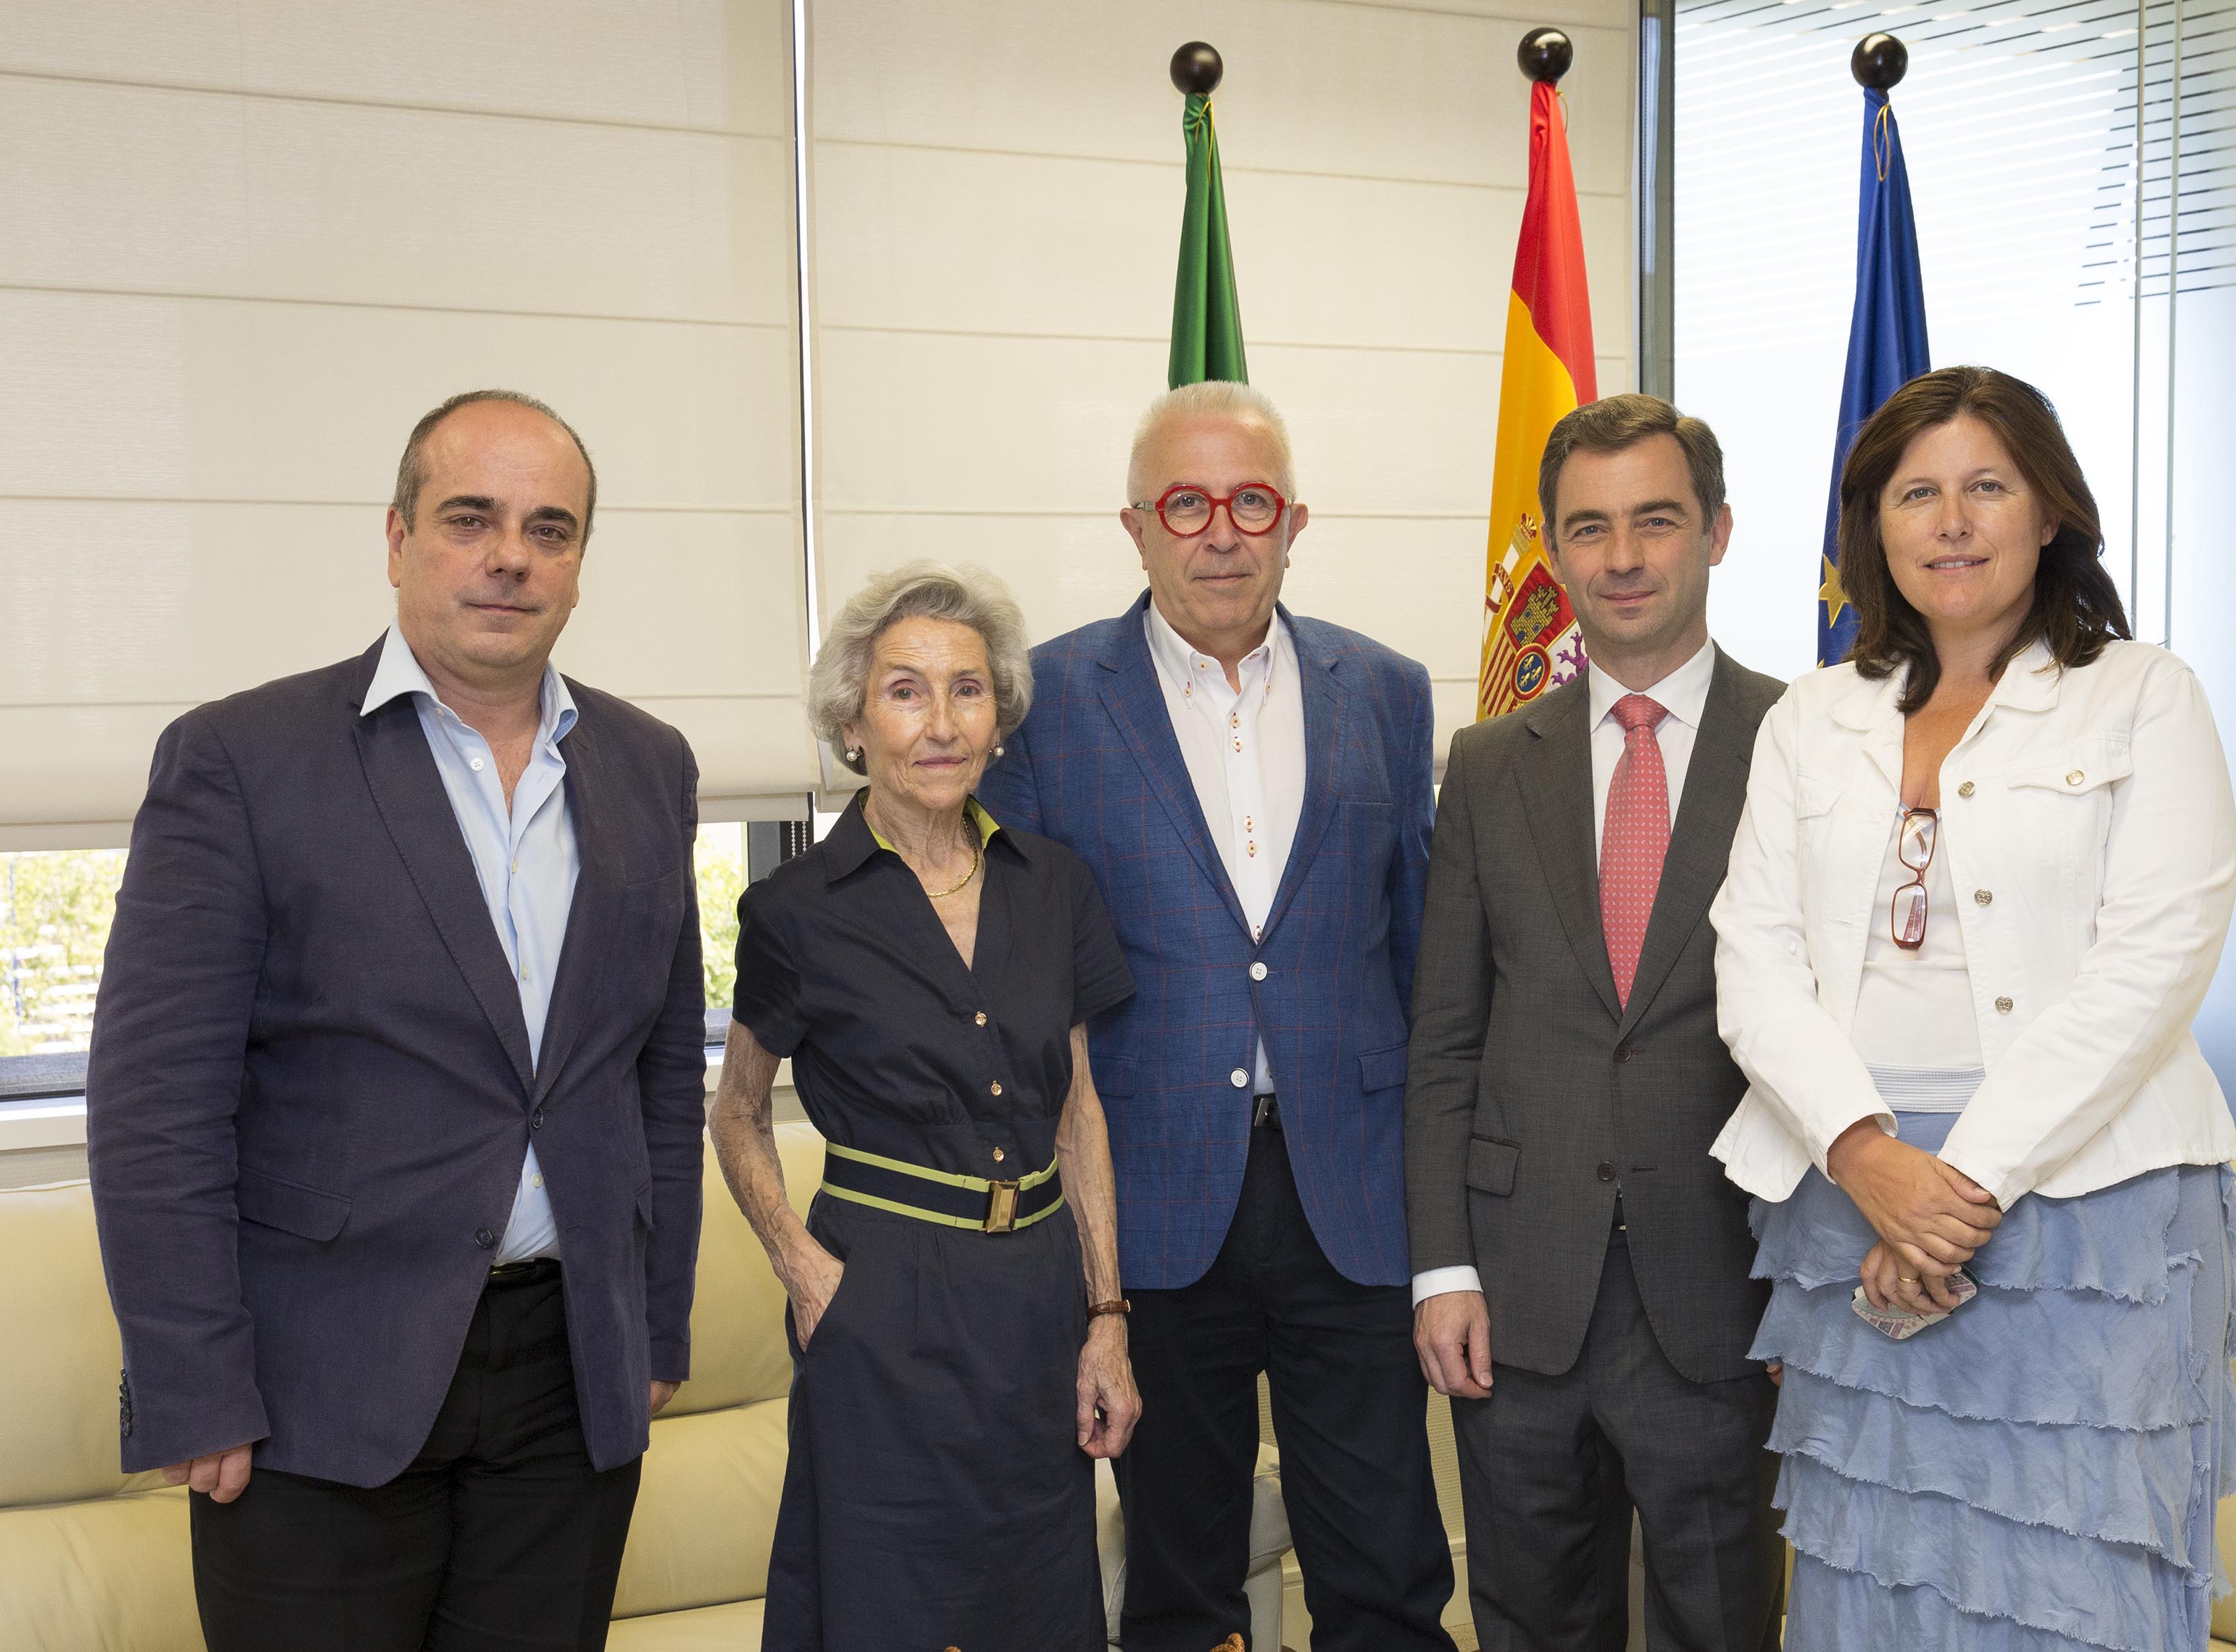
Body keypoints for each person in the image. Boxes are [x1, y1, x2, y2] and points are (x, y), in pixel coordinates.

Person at [85, 390, 706, 1649]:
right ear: (398, 537)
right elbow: (156, 1105)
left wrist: (654, 1320)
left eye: (548, 528)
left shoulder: (652, 766)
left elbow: (659, 1070)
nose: (509, 556)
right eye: (471, 518)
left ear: (579, 561)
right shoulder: (243, 759)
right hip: (314, 1388)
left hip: (570, 1380)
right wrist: (194, 1382)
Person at [1711, 364, 2236, 1649]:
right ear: (1874, 526)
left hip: (2087, 1204)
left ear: (2049, 510)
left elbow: (2155, 962)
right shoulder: (1810, 716)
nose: (1951, 522)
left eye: (1988, 487)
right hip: (1848, 1192)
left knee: (2074, 1577)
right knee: (1875, 1573)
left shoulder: (2142, 692)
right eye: (1917, 494)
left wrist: (1959, 1190)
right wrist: (1868, 1159)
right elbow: (1753, 956)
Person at [978, 380, 1453, 1652]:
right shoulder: (1044, 702)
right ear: (1136, 526)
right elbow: (1022, 987)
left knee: (1389, 1576)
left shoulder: (1388, 689)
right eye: (1186, 504)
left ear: (1295, 522)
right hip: (1153, 1203)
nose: (1222, 533)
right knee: (1180, 1591)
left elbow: (1421, 959)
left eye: (1252, 502)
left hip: (1353, 1196)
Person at [1407, 392, 1788, 1651]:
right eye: (1588, 527)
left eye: (1656, 520)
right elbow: (1446, 1040)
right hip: (1519, 1301)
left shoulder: (1803, 743)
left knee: (1722, 1625)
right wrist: (1443, 1268)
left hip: (1727, 1293)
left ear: (1717, 531)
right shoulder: (1485, 764)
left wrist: (1815, 1283)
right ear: (1555, 551)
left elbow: (1843, 1034)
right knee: (1530, 1626)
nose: (1622, 557)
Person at [708, 563, 1141, 1652]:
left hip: (1036, 1301)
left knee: (1035, 1600)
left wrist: (1106, 1317)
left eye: (968, 689)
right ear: (854, 724)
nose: (941, 723)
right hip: (879, 1296)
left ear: (999, 717)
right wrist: (802, 1266)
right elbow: (738, 1111)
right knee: (883, 1603)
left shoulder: (1056, 885)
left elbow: (1078, 1113)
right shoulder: (793, 910)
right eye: (906, 691)